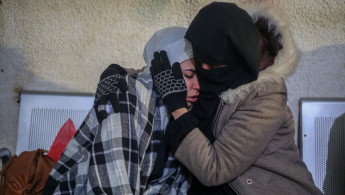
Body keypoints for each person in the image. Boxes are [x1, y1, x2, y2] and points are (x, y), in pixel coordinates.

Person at [149, 2, 323, 194]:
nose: (205, 71)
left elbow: (214, 170)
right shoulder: (208, 78)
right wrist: (120, 76)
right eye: (200, 62)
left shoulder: (265, 96)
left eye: (214, 65)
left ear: (237, 56)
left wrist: (178, 108)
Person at [44, 26, 199, 194]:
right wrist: (114, 70)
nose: (198, 86)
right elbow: (110, 179)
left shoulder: (185, 109)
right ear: (164, 71)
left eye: (201, 77)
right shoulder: (127, 95)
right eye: (189, 75)